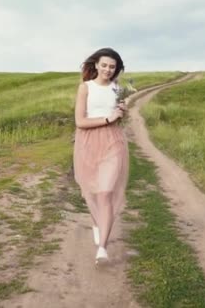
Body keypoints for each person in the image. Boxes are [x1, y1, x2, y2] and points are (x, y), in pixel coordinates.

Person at [73, 47, 129, 265]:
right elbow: (80, 122)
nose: (108, 69)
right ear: (96, 65)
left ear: (116, 70)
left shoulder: (118, 89)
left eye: (112, 66)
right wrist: (108, 118)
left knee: (106, 192)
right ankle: (97, 223)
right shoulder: (85, 88)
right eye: (104, 65)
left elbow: (119, 119)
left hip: (113, 142)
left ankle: (102, 249)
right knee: (92, 191)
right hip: (87, 142)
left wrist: (122, 112)